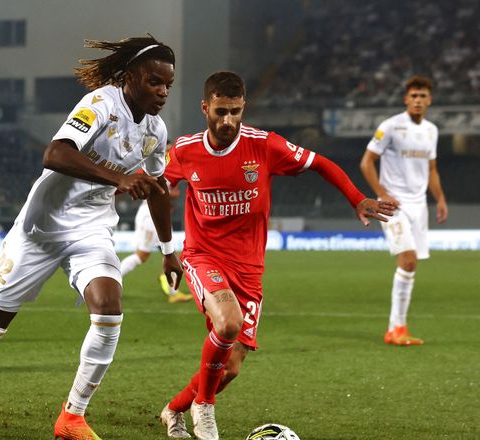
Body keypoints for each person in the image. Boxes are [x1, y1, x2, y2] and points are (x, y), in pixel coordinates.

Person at [0, 35, 182, 440]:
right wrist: (118, 178)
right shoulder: (101, 104)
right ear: (131, 76)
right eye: (155, 81)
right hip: (41, 227)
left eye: (168, 84)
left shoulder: (156, 130)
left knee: (109, 309)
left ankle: (72, 418)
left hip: (91, 228)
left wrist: (169, 251)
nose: (163, 92)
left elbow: (158, 190)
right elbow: (55, 153)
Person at [158, 71, 395, 440]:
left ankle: (174, 409)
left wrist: (356, 198)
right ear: (205, 108)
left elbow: (320, 163)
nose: (228, 121)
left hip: (249, 268)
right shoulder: (185, 150)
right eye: (220, 112)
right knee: (228, 323)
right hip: (203, 256)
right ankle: (203, 408)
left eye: (235, 111)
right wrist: (164, 243)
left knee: (230, 368)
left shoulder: (265, 146)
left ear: (243, 107)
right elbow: (155, 184)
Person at [360, 75, 447, 346]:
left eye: (423, 96)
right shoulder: (390, 127)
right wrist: (382, 193)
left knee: (412, 266)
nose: (418, 100)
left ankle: (397, 329)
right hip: (393, 206)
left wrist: (440, 199)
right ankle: (396, 329)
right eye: (414, 96)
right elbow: (366, 162)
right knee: (408, 260)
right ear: (406, 99)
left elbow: (432, 170)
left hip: (419, 206)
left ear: (429, 100)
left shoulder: (431, 131)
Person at [120, 156, 194, 304]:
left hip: (158, 216)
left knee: (170, 253)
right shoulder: (157, 167)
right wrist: (170, 193)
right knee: (142, 256)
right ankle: (112, 280)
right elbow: (158, 191)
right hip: (151, 216)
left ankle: (173, 292)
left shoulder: (166, 166)